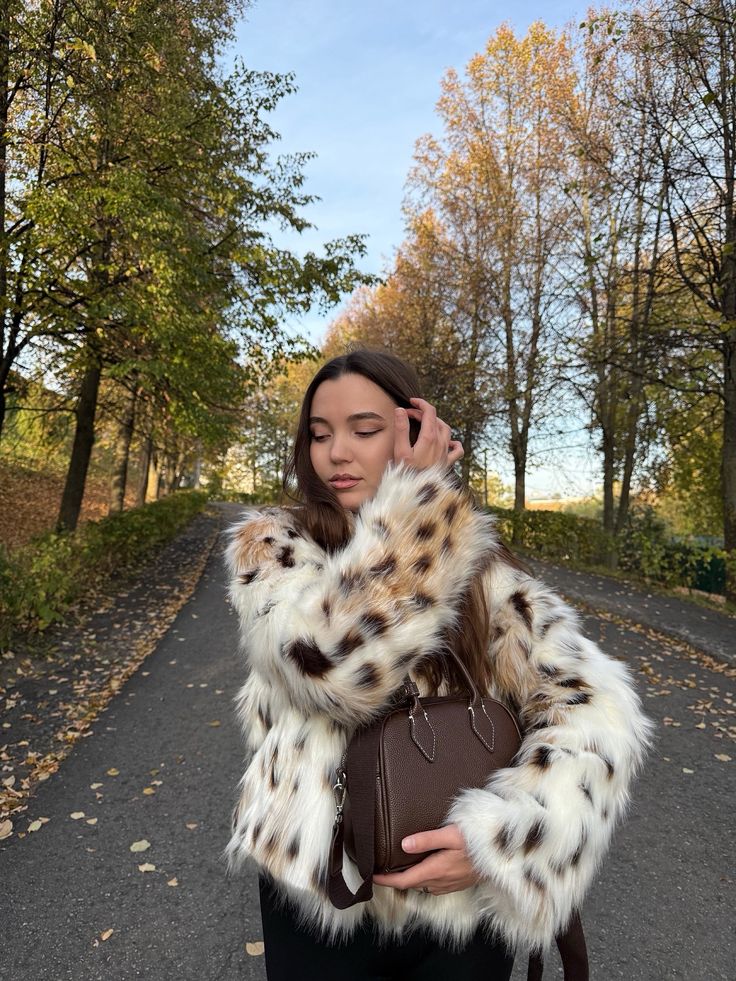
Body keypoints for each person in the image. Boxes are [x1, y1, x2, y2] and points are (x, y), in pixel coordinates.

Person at [225, 350, 651, 980]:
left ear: (416, 432)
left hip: (458, 905)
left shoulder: (479, 571)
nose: (337, 452)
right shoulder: (276, 547)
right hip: (320, 886)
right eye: (319, 434)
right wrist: (422, 512)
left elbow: (597, 716)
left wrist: (501, 842)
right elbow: (330, 666)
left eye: (364, 430)